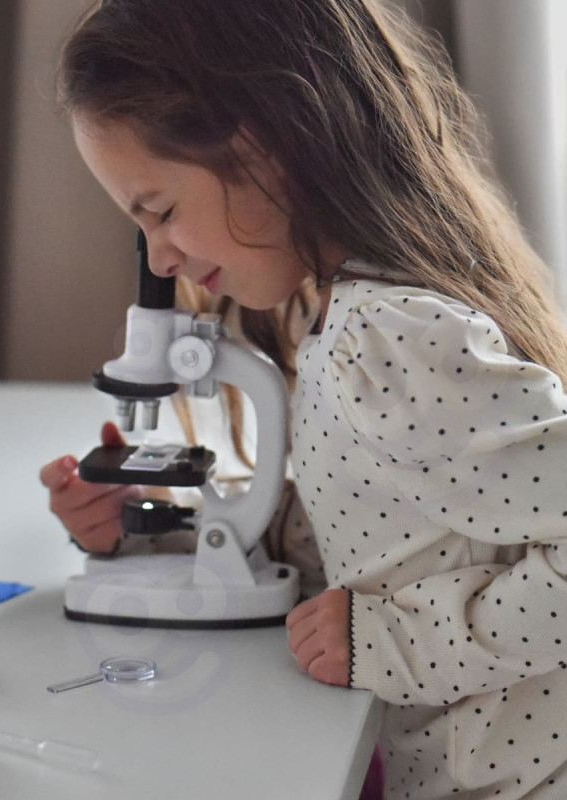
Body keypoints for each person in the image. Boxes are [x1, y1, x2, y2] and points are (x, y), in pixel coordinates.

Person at [38, 1, 567, 797]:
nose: (160, 257)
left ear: (267, 139)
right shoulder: (342, 317)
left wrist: (399, 643)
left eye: (162, 212)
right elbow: (392, 540)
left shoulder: (386, 341)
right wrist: (160, 534)